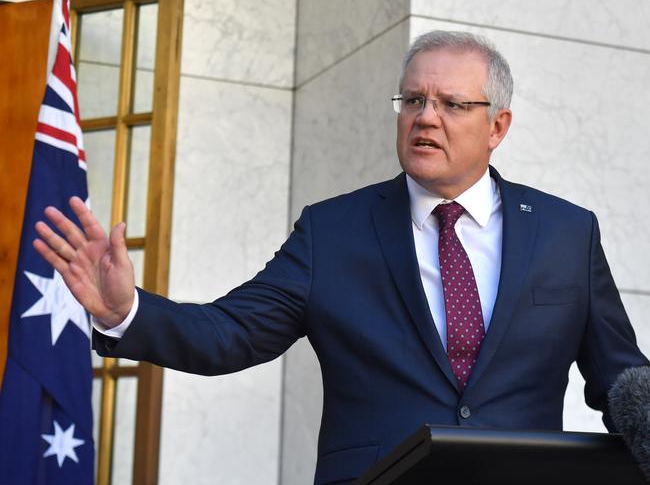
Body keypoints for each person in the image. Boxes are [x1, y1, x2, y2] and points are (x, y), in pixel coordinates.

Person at [34, 31, 648, 484]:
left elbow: (621, 377)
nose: (425, 119)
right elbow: (233, 333)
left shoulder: (567, 233)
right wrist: (126, 312)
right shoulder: (334, 231)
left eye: (451, 105)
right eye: (412, 101)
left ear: (498, 126)